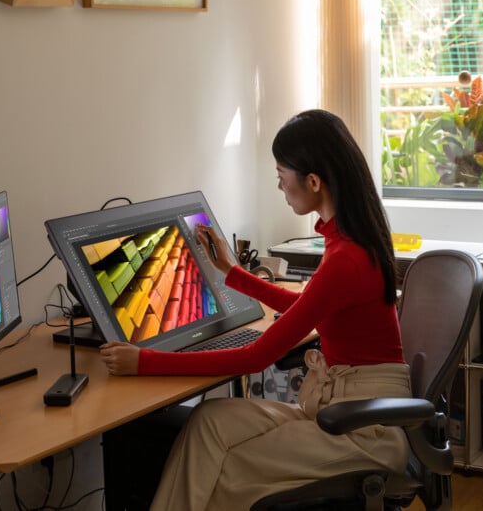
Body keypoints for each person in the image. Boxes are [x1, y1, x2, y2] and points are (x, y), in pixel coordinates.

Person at [99, 109, 411, 510]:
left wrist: (144, 362)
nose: (279, 185)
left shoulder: (345, 258)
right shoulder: (347, 241)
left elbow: (257, 357)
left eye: (282, 176)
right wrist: (232, 272)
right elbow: (309, 306)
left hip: (363, 431)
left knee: (226, 467)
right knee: (208, 421)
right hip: (344, 411)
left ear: (313, 181)